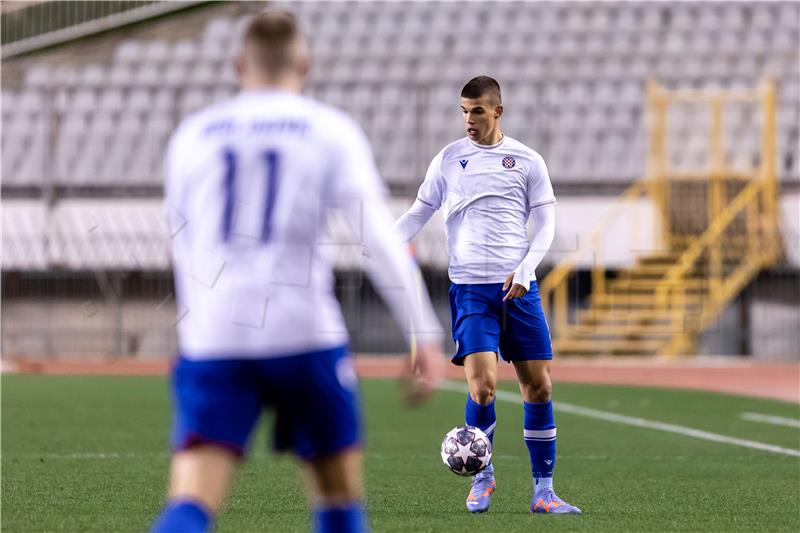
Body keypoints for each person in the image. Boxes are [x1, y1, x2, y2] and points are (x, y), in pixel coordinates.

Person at [150, 11, 444, 533]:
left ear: (239, 65)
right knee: (338, 500)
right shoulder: (328, 129)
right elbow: (377, 236)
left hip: (217, 338)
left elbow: (185, 246)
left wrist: (196, 337)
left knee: (191, 501)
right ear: (304, 66)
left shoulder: (191, 136)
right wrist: (424, 332)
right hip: (303, 333)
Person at [394, 76, 581, 515]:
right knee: (482, 388)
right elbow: (420, 210)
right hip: (471, 290)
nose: (468, 120)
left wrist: (527, 268)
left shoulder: (528, 161)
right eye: (463, 111)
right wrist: (385, 242)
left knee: (538, 386)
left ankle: (543, 492)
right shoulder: (448, 159)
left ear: (497, 111)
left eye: (477, 111)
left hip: (520, 288)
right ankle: (482, 478)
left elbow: (547, 225)